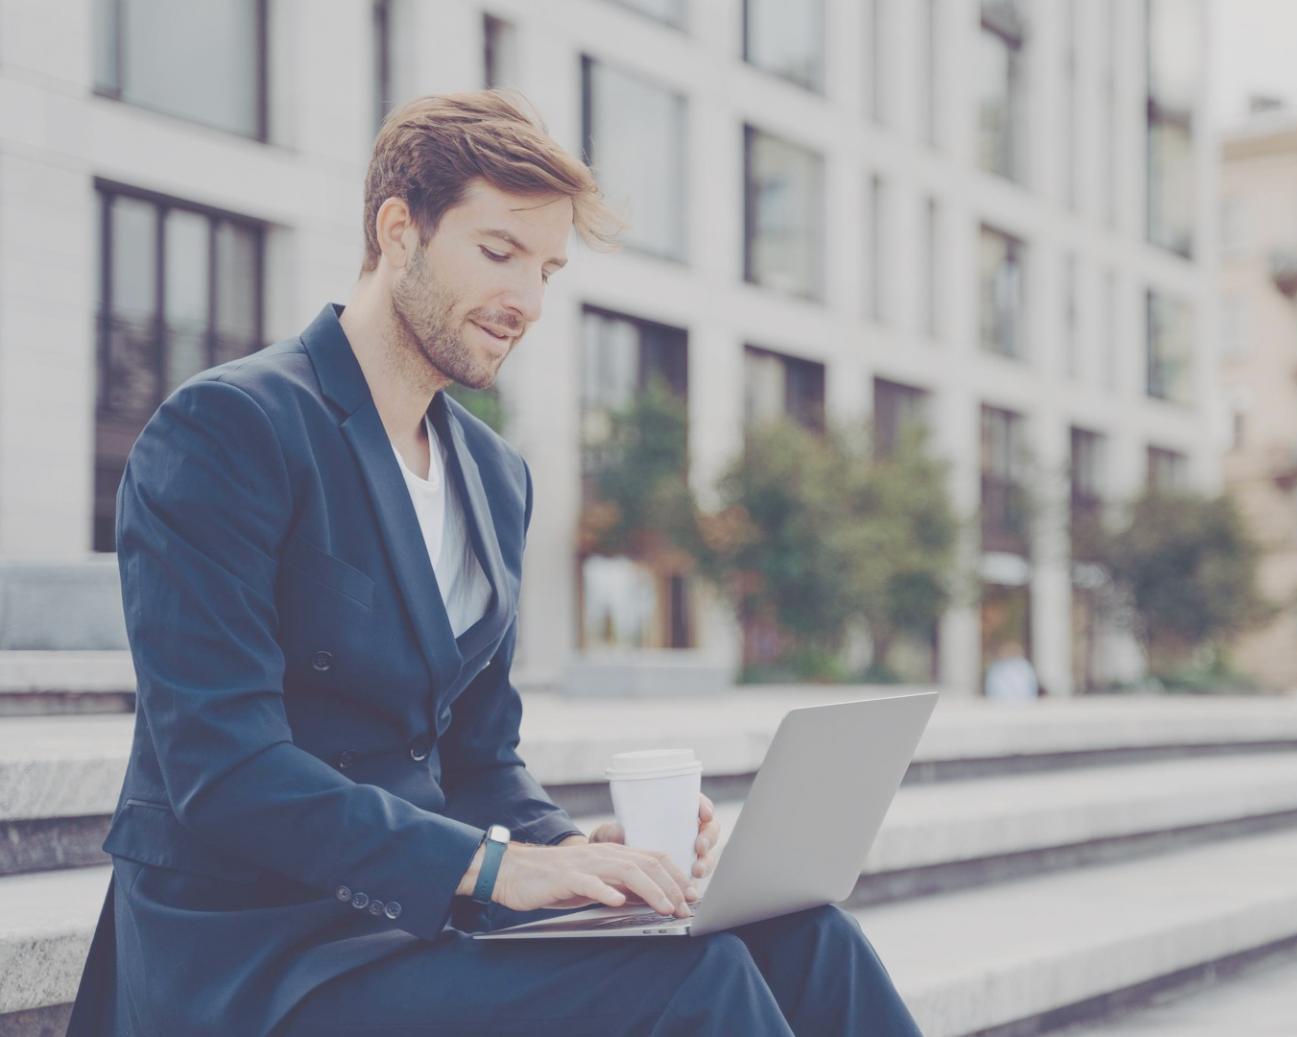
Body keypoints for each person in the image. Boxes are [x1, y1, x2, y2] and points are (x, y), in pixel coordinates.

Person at [66, 89, 921, 1036]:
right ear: (399, 231)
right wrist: (497, 867)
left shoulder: (492, 474)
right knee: (697, 978)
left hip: (421, 924)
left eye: (547, 270)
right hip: (258, 954)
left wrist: (579, 852)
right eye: (499, 253)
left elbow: (479, 758)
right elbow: (223, 769)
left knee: (807, 935)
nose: (529, 303)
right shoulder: (230, 428)